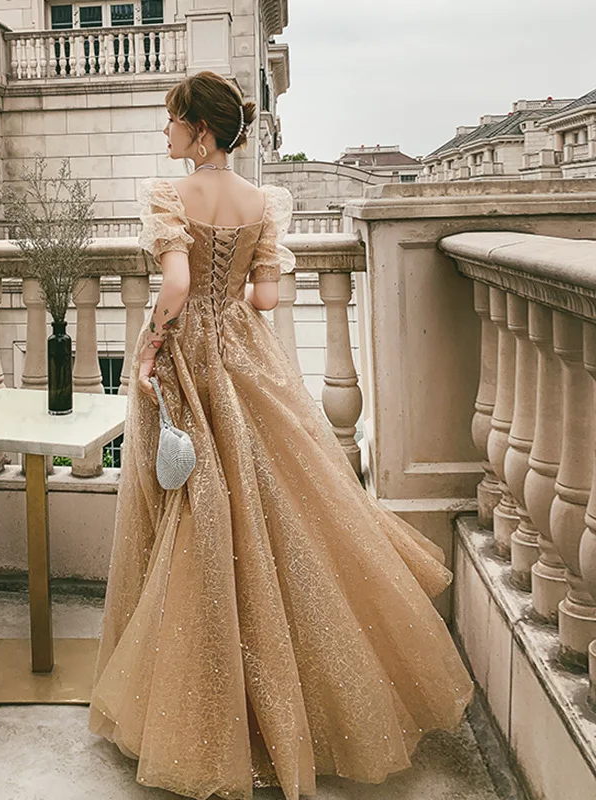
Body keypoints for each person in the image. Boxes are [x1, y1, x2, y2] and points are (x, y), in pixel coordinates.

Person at [89, 71, 474, 800]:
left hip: (188, 358)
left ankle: (205, 708)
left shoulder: (170, 195)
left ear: (200, 132)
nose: (164, 133)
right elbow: (267, 295)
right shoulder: (265, 201)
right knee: (274, 512)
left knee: (189, 510)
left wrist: (149, 348)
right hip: (245, 351)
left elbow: (173, 285)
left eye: (172, 121)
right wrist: (231, 293)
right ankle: (280, 705)